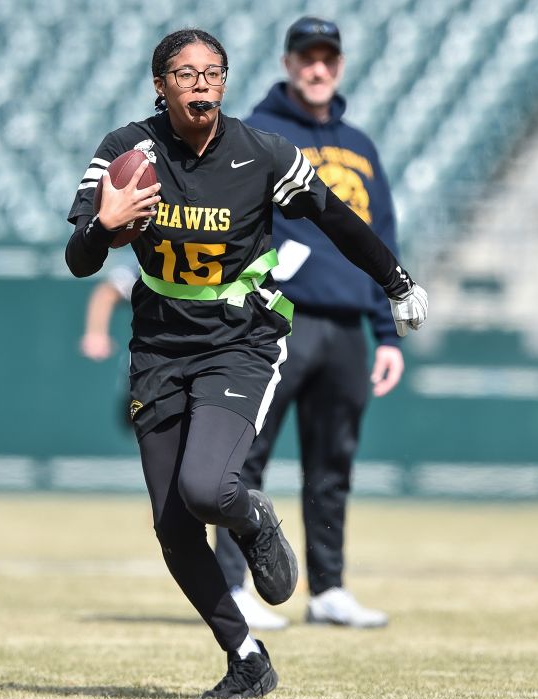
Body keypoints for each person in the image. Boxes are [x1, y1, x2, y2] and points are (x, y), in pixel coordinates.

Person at [65, 28, 428, 699]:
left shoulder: (262, 151)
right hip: (158, 346)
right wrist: (104, 224)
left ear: (225, 82)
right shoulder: (127, 151)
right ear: (160, 84)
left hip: (241, 339)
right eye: (184, 72)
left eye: (212, 72)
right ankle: (246, 658)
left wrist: (397, 282)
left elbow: (337, 218)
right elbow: (79, 260)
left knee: (208, 491)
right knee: (173, 524)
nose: (200, 83)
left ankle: (253, 516)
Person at [212, 16, 403, 631]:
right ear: (289, 63)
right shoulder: (259, 132)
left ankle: (328, 589)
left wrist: (386, 328)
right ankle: (235, 588)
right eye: (306, 57)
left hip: (348, 325)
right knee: (247, 456)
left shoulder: (361, 145)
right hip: (278, 320)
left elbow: (379, 238)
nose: (317, 68)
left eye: (328, 58)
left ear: (339, 65)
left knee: (333, 462)